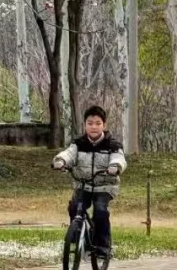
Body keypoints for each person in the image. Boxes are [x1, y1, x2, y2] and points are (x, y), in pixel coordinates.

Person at [53, 105, 126, 256]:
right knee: (74, 207)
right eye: (90, 123)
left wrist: (115, 166)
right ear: (85, 125)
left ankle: (103, 246)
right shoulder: (78, 143)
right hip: (83, 185)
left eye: (98, 123)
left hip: (105, 186)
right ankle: (76, 234)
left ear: (104, 125)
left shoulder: (112, 145)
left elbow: (119, 158)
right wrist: (61, 161)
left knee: (100, 210)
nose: (94, 127)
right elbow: (69, 154)